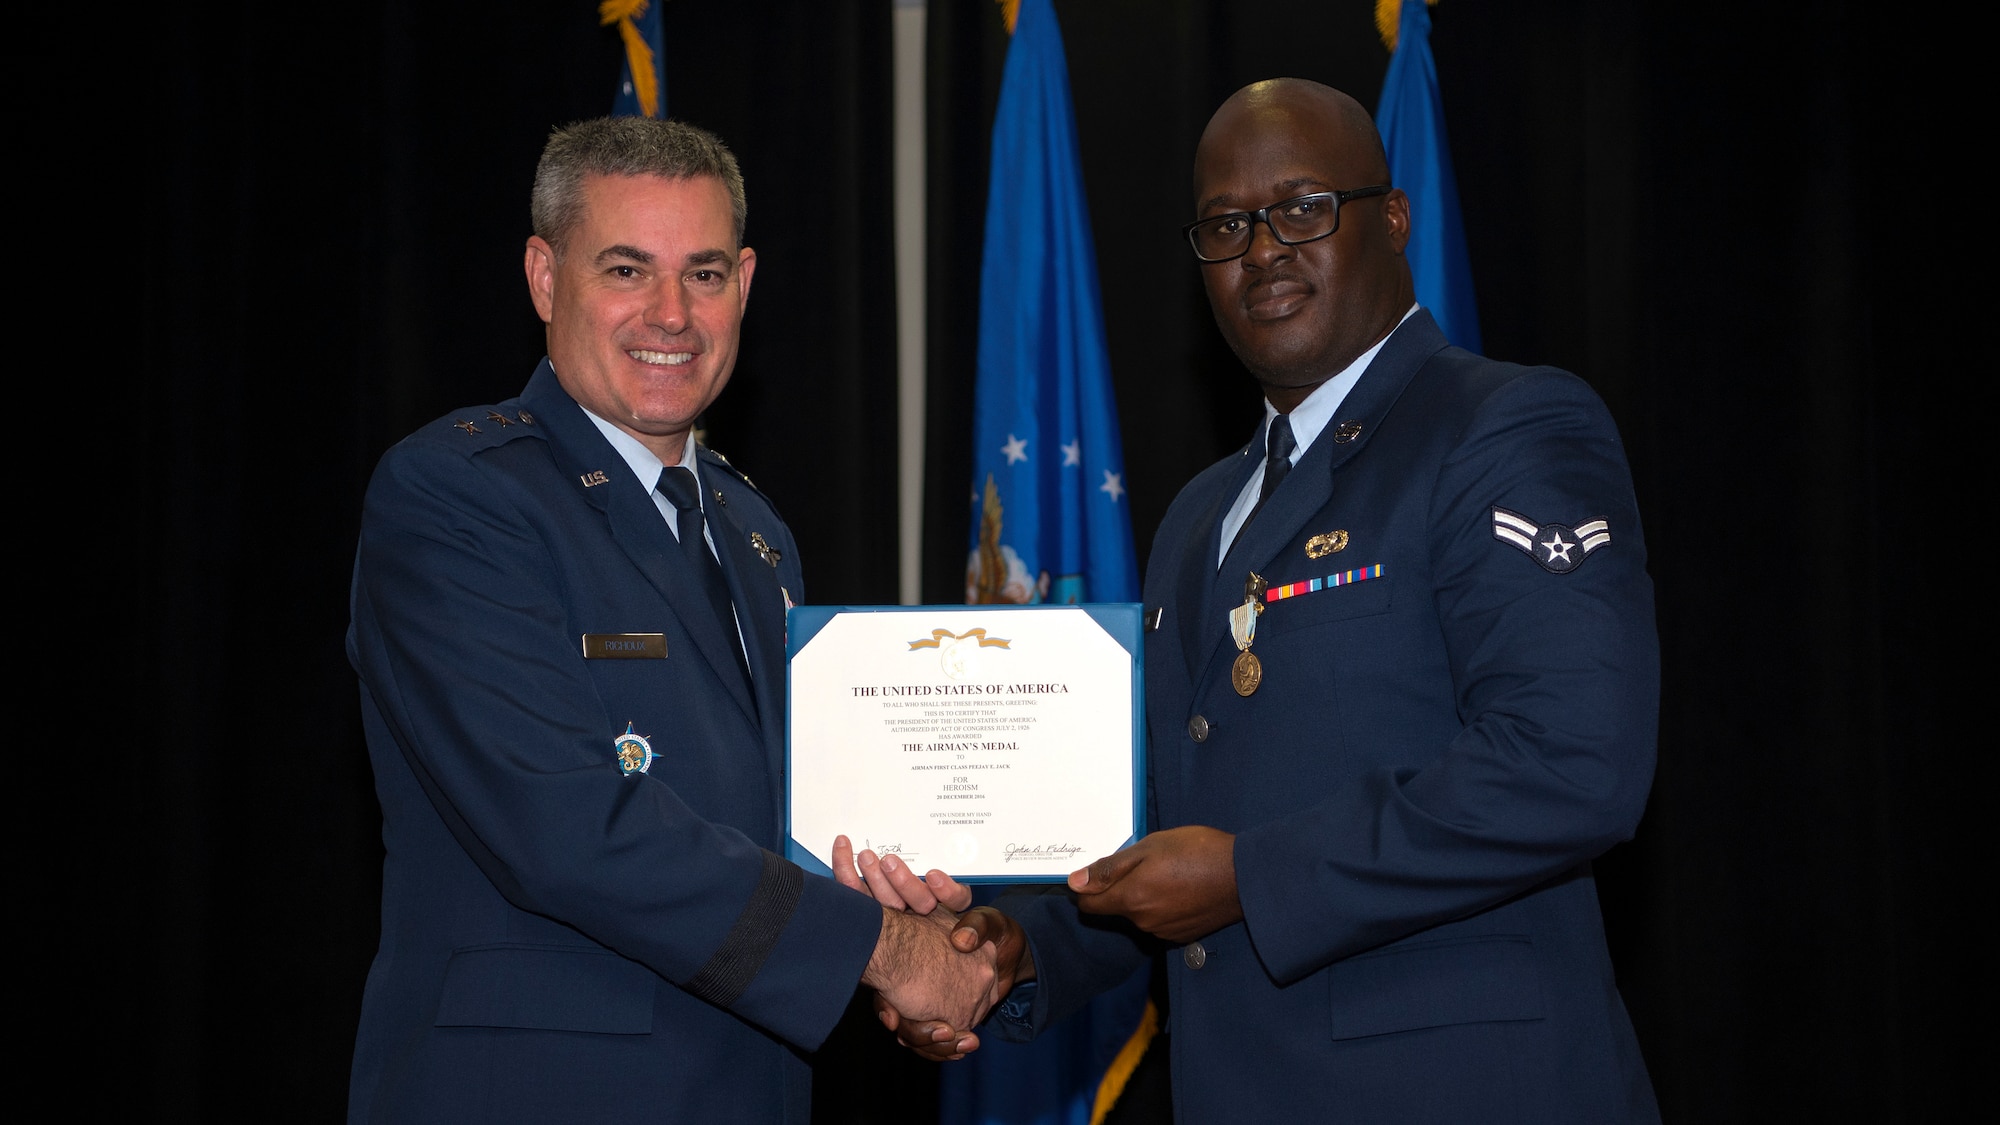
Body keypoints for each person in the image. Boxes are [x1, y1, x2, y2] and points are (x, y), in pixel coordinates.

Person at [846, 78, 1662, 1122]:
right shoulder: (1200, 515)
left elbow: (1571, 763)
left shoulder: (1499, 429)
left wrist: (1250, 879)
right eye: (1226, 224)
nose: (1262, 248)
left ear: (1393, 219)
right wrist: (1011, 953)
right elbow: (1158, 835)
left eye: (1303, 207)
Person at [345, 116, 997, 1124]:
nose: (670, 315)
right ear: (543, 277)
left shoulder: (755, 532)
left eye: (701, 274)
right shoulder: (454, 496)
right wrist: (878, 951)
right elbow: (562, 824)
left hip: (749, 1085)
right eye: (624, 270)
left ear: (744, 282)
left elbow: (782, 820)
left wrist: (916, 909)